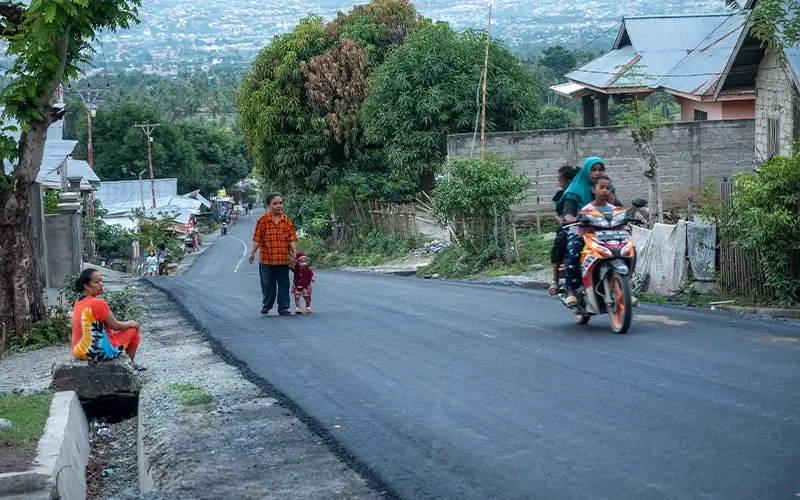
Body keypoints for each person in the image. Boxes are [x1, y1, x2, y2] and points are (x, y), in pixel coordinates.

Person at [71, 268, 145, 370]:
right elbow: (116, 325)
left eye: (101, 281)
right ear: (86, 286)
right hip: (97, 351)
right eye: (96, 282)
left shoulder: (78, 301)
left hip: (78, 351)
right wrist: (131, 323)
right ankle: (131, 365)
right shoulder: (97, 303)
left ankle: (130, 363)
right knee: (134, 330)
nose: (101, 284)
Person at [249, 192, 298, 316]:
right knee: (268, 285)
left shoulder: (286, 220)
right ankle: (267, 305)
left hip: (282, 260)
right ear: (269, 205)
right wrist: (252, 253)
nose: (278, 206)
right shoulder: (262, 220)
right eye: (275, 203)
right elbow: (257, 239)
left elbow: (291, 237)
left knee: (284, 284)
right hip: (267, 260)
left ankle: (283, 308)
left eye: (280, 203)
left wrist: (294, 251)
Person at [549, 165, 580, 295]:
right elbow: (557, 213)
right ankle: (555, 280)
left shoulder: (582, 192)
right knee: (559, 244)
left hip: (584, 225)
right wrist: (561, 220)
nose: (559, 183)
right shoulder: (562, 195)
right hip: (567, 227)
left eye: (560, 180)